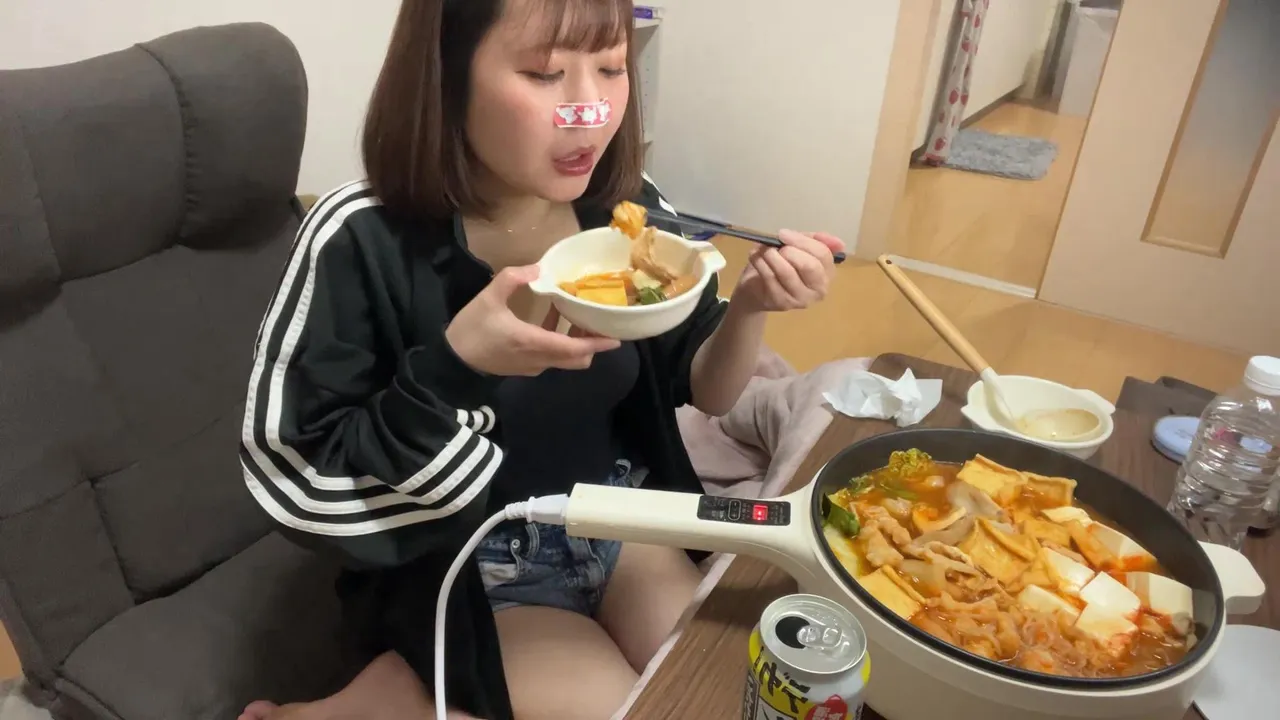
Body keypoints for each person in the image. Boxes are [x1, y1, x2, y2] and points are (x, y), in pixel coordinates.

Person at [237, 0, 844, 718]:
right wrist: (458, 364)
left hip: (614, 518)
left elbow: (708, 391)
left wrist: (751, 306)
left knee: (720, 689)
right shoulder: (358, 236)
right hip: (475, 564)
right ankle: (374, 697)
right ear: (448, 74)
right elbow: (297, 472)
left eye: (612, 68)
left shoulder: (625, 208)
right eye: (545, 74)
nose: (590, 111)